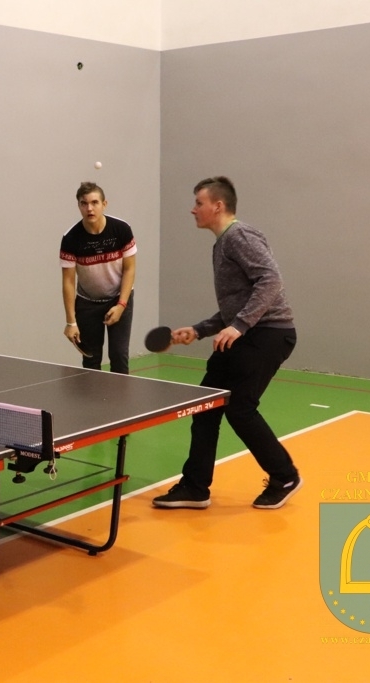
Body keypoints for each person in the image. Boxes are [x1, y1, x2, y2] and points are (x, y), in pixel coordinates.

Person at [152, 176, 301, 510]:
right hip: (248, 332)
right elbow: (236, 304)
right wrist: (199, 330)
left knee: (239, 408)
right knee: (206, 405)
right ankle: (195, 487)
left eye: (199, 203)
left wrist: (239, 326)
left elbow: (270, 280)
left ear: (217, 206)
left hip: (268, 333)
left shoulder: (239, 236)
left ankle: (285, 476)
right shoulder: (222, 244)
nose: (193, 209)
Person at [60, 182, 137, 373]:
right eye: (84, 203)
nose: (89, 208)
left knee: (119, 356)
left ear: (104, 204)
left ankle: (120, 394)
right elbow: (68, 281)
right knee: (91, 361)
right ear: (79, 206)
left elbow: (130, 269)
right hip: (87, 303)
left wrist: (121, 305)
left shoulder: (121, 229)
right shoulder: (70, 238)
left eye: (94, 202)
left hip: (119, 299)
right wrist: (71, 322)